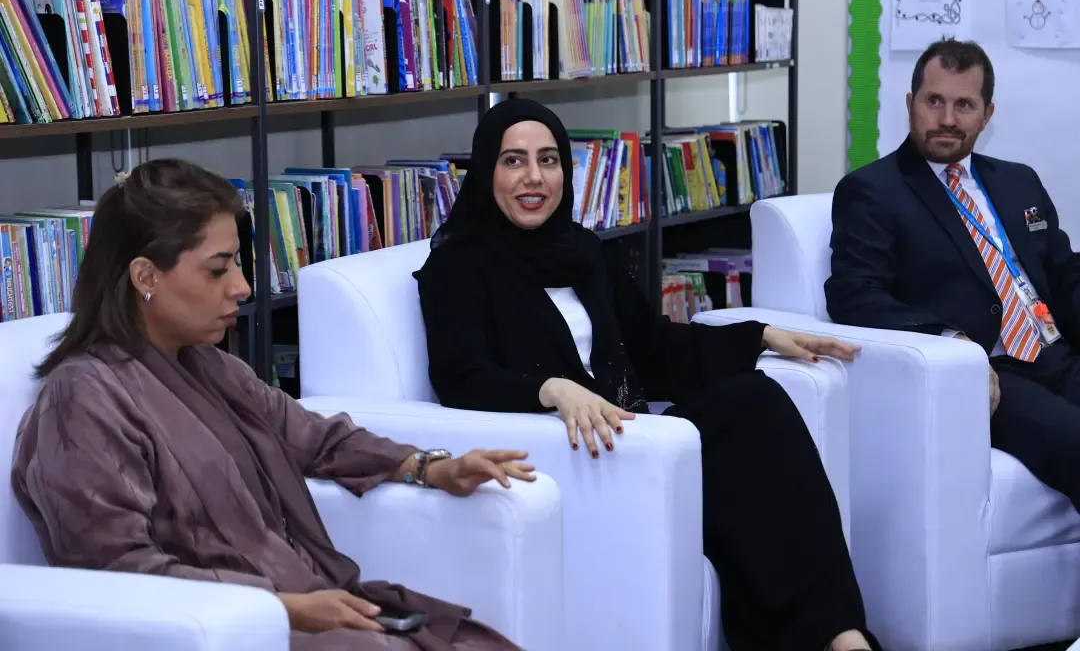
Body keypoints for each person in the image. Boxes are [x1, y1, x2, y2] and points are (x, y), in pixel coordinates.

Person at [412, 98, 882, 651]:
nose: (534, 177)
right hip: (563, 456)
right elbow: (461, 376)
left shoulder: (582, 251)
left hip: (632, 440)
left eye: (549, 160)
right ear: (486, 171)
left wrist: (759, 335)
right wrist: (549, 389)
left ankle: (842, 638)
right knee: (751, 419)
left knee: (759, 406)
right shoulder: (457, 266)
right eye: (513, 161)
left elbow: (653, 348)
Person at [11, 159, 536, 651]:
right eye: (218, 270)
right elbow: (116, 571)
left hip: (303, 604)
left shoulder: (209, 365)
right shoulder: (83, 399)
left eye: (236, 265)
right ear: (145, 276)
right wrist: (282, 609)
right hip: (226, 633)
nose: (241, 287)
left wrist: (432, 468)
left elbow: (316, 439)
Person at [826, 38, 1080, 516]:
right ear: (910, 103)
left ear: (987, 115)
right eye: (934, 101)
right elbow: (854, 294)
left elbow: (1065, 274)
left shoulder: (1018, 181)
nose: (946, 119)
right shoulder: (871, 191)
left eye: (964, 105)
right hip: (987, 370)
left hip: (1055, 352)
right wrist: (950, 340)